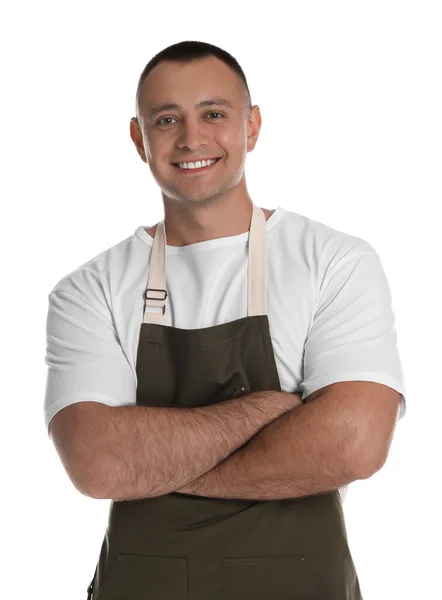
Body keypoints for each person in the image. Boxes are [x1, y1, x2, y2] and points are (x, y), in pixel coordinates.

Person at [43, 40, 406, 600]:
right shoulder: (88, 289)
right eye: (167, 120)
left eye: (214, 113)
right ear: (140, 139)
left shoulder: (333, 261)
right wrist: (266, 413)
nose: (191, 138)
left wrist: (153, 470)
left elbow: (354, 443)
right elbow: (96, 463)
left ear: (252, 126)